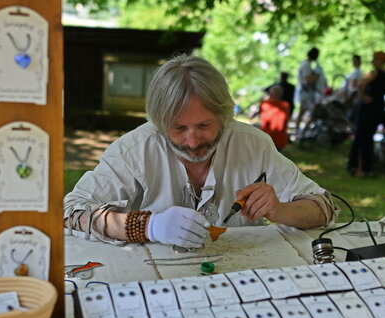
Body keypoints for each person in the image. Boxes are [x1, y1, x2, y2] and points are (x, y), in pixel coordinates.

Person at [64, 54, 338, 249]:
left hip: (238, 277)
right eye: (178, 127)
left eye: (205, 125)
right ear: (158, 123)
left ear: (225, 115)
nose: (193, 141)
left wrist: (280, 210)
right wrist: (149, 226)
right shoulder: (135, 150)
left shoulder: (252, 144)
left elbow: (324, 208)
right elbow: (70, 212)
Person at [347, 51, 385, 177]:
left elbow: (360, 84)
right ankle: (366, 168)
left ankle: (359, 168)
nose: (373, 62)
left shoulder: (373, 73)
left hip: (368, 108)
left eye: (375, 59)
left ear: (379, 61)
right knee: (368, 138)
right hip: (379, 107)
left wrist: (363, 96)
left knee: (361, 137)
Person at [295, 47, 326, 137]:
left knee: (308, 113)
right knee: (306, 113)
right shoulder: (306, 65)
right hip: (306, 93)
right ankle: (300, 132)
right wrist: (317, 75)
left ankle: (302, 131)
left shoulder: (306, 64)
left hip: (307, 93)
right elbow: (308, 79)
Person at [260, 85, 290, 151]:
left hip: (265, 139)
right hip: (280, 141)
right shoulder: (286, 105)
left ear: (271, 93)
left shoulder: (264, 103)